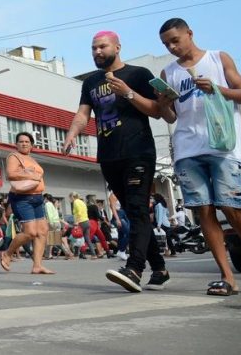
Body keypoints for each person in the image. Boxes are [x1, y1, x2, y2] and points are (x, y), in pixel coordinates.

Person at [63, 30, 168, 293]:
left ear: (117, 47)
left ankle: (134, 269)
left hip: (138, 151)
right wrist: (72, 133)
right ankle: (160, 268)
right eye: (93, 48)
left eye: (102, 47)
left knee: (137, 208)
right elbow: (82, 113)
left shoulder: (140, 74)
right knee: (135, 212)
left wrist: (129, 93)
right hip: (109, 156)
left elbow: (158, 112)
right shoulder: (90, 83)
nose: (97, 52)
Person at [157, 18, 241, 296]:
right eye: (166, 44)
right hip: (187, 149)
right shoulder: (168, 73)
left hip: (222, 146)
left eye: (175, 40)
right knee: (204, 210)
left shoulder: (218, 59)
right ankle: (226, 276)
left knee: (231, 208)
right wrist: (162, 104)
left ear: (190, 34)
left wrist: (217, 89)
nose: (172, 47)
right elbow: (172, 116)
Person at [0, 132, 54, 274]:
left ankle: (37, 266)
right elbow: (10, 174)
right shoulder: (13, 156)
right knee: (30, 232)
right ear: (16, 144)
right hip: (22, 198)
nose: (24, 143)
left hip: (37, 198)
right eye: (21, 141)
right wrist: (30, 174)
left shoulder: (32, 159)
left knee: (42, 231)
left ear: (31, 145)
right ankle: (7, 254)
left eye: (27, 141)